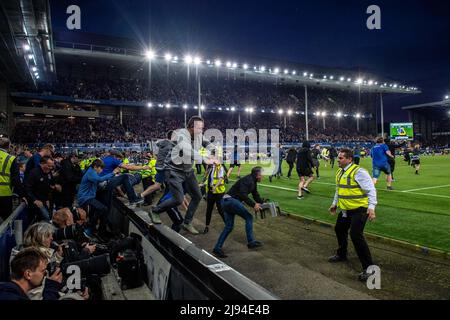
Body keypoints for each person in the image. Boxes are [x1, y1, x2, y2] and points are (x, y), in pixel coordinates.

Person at [150, 116, 214, 235]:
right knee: (178, 199)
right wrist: (204, 159)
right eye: (199, 128)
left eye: (202, 128)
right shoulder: (181, 135)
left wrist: (214, 151)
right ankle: (155, 211)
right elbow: (187, 150)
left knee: (197, 196)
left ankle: (187, 222)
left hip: (188, 171)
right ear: (190, 127)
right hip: (174, 171)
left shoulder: (199, 136)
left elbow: (208, 143)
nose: (201, 131)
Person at [328, 148, 377, 282]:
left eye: (341, 158)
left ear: (349, 159)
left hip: (360, 210)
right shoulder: (339, 172)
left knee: (356, 235)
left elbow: (371, 190)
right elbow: (339, 190)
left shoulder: (359, 172)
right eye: (338, 158)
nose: (338, 160)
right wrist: (334, 204)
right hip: (346, 210)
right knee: (339, 229)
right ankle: (342, 254)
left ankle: (370, 269)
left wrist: (371, 207)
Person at [212, 167, 264, 258]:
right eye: (261, 174)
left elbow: (255, 194)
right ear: (257, 175)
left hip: (226, 201)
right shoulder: (248, 180)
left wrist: (263, 202)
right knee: (249, 217)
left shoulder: (252, 181)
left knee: (229, 226)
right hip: (231, 201)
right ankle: (251, 242)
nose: (262, 176)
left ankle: (217, 248)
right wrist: (253, 205)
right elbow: (242, 194)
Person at [77, 159, 119, 237]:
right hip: (85, 198)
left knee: (98, 210)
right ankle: (90, 226)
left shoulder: (91, 171)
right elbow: (99, 179)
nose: (102, 170)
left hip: (89, 197)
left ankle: (95, 229)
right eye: (101, 168)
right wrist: (112, 173)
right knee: (103, 209)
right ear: (96, 167)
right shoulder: (91, 172)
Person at [25, 157, 61, 222]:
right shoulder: (33, 173)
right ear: (42, 164)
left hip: (47, 201)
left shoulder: (49, 172)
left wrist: (55, 186)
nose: (50, 168)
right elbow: (27, 189)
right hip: (37, 202)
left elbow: (51, 183)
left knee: (50, 217)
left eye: (51, 166)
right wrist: (35, 200)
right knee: (46, 218)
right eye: (48, 166)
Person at [0, 137, 25, 222]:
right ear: (9, 146)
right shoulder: (11, 158)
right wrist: (22, 195)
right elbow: (16, 180)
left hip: (5, 195)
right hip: (4, 195)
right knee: (6, 222)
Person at [202, 160, 226, 234]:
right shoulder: (210, 168)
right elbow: (209, 180)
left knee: (220, 209)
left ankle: (227, 224)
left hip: (219, 192)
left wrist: (215, 187)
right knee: (209, 209)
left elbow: (221, 178)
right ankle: (207, 226)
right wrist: (202, 184)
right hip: (211, 192)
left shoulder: (220, 167)